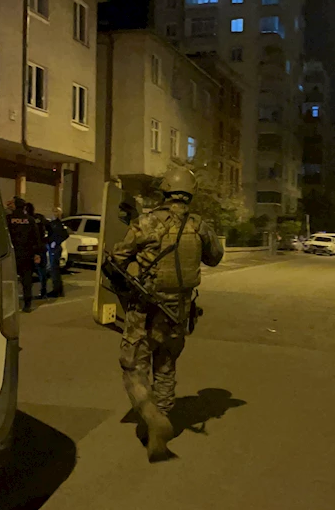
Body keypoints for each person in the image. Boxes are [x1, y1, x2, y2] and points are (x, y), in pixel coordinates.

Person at [111, 167, 224, 462]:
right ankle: (160, 421)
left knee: (132, 365)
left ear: (165, 190)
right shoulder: (199, 226)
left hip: (145, 310)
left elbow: (117, 259)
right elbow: (214, 257)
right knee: (165, 364)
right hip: (179, 311)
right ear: (190, 193)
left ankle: (153, 417)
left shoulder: (146, 222)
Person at [5, 197, 43, 313]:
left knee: (8, 280)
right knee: (27, 280)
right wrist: (37, 253)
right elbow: (36, 237)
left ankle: (9, 305)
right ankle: (27, 304)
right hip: (27, 254)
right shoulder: (30, 220)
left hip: (12, 254)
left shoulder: (8, 219)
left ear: (15, 205)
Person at [25, 203, 49, 298]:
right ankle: (43, 292)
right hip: (42, 247)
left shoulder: (28, 220)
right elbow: (49, 228)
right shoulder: (40, 218)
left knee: (29, 272)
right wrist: (47, 240)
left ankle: (28, 293)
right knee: (42, 271)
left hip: (32, 249)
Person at [46, 207, 69, 297]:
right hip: (54, 247)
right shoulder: (53, 223)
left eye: (56, 212)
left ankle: (57, 290)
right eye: (54, 211)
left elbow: (65, 235)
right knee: (54, 269)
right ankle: (58, 289)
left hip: (55, 248)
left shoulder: (58, 224)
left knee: (54, 269)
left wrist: (55, 242)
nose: (55, 213)